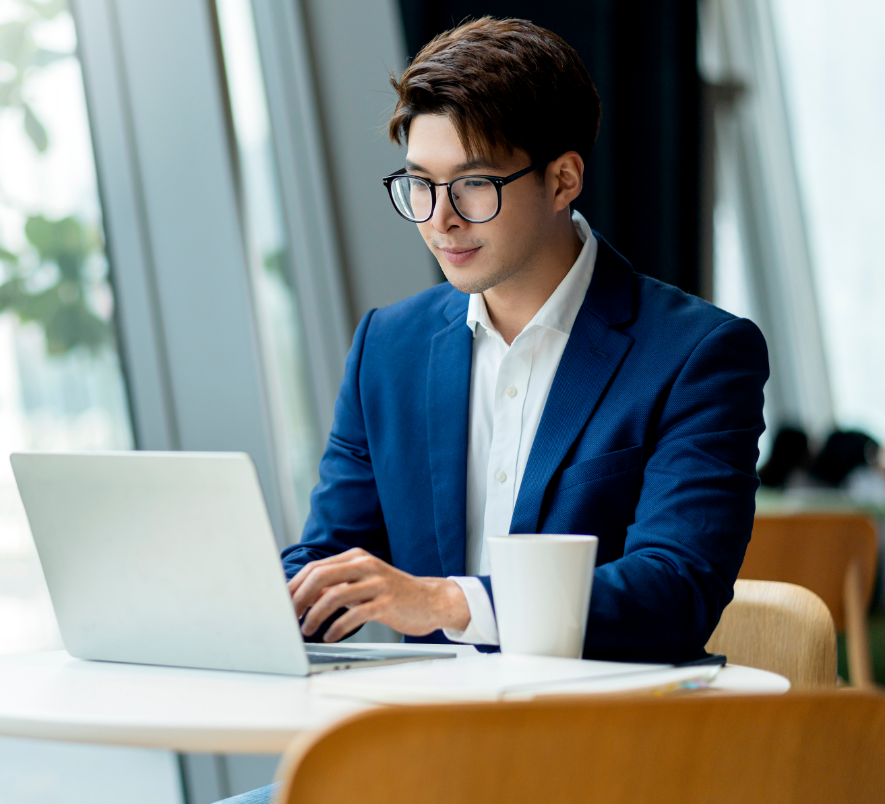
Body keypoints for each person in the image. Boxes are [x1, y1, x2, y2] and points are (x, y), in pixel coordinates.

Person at [220, 17, 767, 803]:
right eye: (418, 183)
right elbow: (331, 553)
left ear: (562, 179)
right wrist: (255, 603)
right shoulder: (390, 345)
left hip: (605, 764)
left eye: (473, 185)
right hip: (423, 754)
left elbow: (674, 589)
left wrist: (447, 601)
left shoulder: (698, 354)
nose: (439, 218)